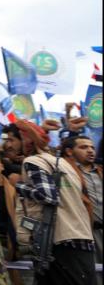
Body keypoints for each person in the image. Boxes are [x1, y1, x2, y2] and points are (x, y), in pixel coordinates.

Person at [10, 120, 96, 285]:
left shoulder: (33, 162)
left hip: (60, 244)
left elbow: (48, 196)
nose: (9, 145)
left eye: (12, 139)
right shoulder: (65, 164)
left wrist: (19, 186)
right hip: (81, 239)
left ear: (26, 140)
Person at [61, 135, 103, 268]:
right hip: (88, 233)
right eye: (84, 147)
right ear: (69, 151)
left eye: (92, 147)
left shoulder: (101, 171)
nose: (90, 150)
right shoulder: (67, 173)